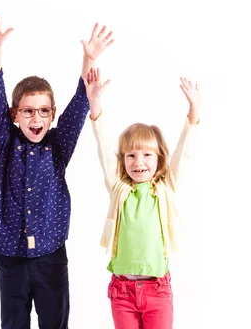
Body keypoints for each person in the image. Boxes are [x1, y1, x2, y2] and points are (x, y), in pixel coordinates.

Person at [0, 14, 115, 328]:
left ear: (52, 114)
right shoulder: (6, 141)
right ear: (16, 114)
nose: (36, 118)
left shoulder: (59, 145)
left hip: (50, 256)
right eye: (28, 111)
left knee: (55, 323)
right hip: (11, 256)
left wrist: (89, 58)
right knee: (13, 323)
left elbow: (81, 103)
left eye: (44, 111)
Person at [84, 67, 201, 328]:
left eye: (147, 155)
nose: (139, 162)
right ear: (123, 160)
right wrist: (95, 102)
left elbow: (185, 152)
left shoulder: (165, 188)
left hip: (157, 290)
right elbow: (103, 144)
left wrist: (193, 112)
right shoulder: (119, 187)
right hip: (122, 291)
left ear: (159, 159)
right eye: (131, 156)